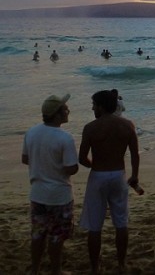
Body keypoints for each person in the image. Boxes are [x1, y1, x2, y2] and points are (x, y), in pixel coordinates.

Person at [79, 89, 140, 274]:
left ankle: (95, 267)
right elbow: (135, 155)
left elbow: (82, 158)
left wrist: (94, 165)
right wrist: (135, 176)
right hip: (118, 175)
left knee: (95, 226)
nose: (92, 108)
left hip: (98, 175)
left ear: (101, 106)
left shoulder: (91, 128)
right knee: (121, 223)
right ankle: (121, 264)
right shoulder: (128, 125)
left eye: (94, 105)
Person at [22, 94, 78, 275]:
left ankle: (35, 269)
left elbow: (25, 159)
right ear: (57, 114)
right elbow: (71, 169)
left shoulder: (31, 132)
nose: (68, 111)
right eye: (65, 109)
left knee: (38, 233)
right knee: (56, 235)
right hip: (59, 196)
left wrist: (42, 164)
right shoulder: (65, 138)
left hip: (37, 193)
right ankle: (56, 270)